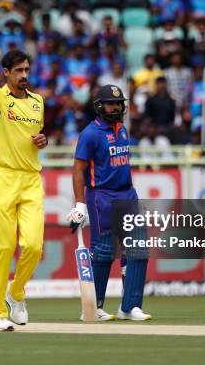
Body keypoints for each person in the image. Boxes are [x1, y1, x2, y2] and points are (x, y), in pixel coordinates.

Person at [0, 4, 47, 332]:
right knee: (5, 247)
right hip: (3, 177)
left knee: (33, 246)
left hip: (32, 179)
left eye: (27, 70)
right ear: (6, 73)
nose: (24, 75)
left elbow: (31, 136)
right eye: (18, 70)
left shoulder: (37, 102)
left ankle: (17, 293)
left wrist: (41, 140)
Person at [68, 84, 151, 321]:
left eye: (118, 103)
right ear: (99, 106)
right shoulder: (90, 134)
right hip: (101, 195)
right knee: (104, 252)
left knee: (138, 249)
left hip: (127, 194)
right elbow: (78, 170)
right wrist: (80, 204)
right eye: (110, 103)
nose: (115, 107)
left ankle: (130, 307)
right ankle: (96, 307)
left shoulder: (122, 129)